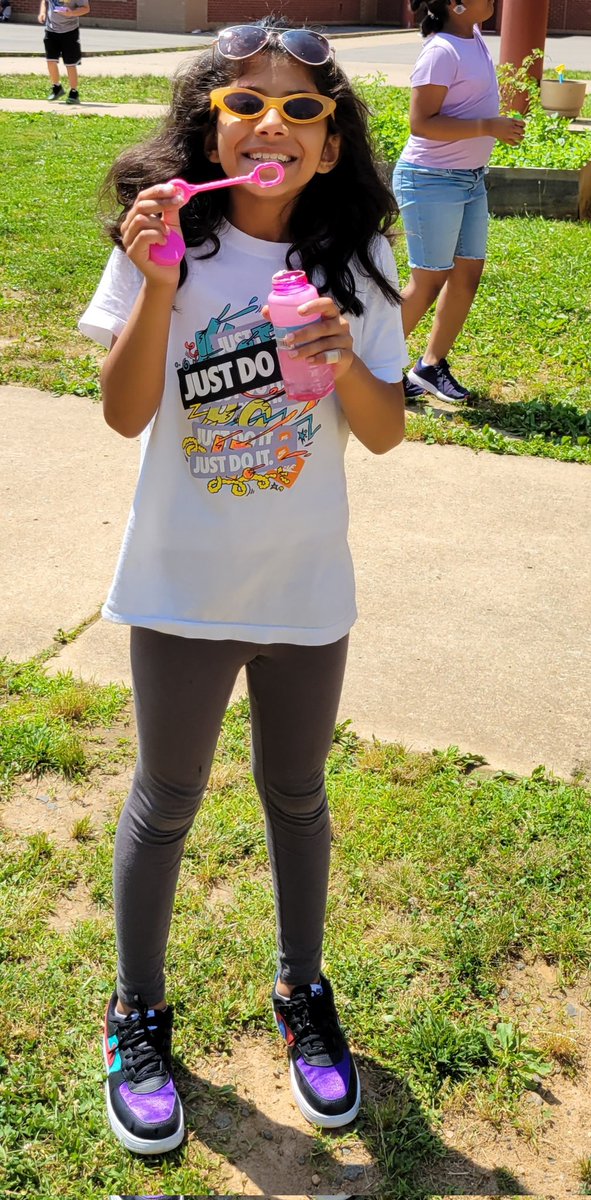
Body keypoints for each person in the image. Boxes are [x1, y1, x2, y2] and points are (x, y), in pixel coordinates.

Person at [79, 17, 406, 1157]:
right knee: (166, 801)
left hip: (305, 584)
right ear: (208, 124)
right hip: (180, 585)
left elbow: (385, 435)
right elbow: (126, 413)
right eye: (246, 102)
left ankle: (302, 994)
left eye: (302, 108)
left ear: (327, 145)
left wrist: (342, 357)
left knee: (298, 797)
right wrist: (160, 280)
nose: (272, 120)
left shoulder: (356, 262)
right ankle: (137, 1016)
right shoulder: (167, 243)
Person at [392, 0, 525, 403]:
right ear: (457, 4)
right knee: (428, 280)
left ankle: (430, 366)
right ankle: (368, 365)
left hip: (469, 180)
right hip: (430, 180)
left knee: (467, 275)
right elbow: (421, 123)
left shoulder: (474, 36)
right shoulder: (441, 52)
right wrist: (488, 126)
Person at [38, 0, 90, 105]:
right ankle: (57, 88)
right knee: (50, 61)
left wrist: (71, 13)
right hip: (51, 30)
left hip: (69, 32)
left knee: (70, 64)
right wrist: (42, 12)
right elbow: (44, 1)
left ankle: (74, 93)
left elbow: (86, 8)